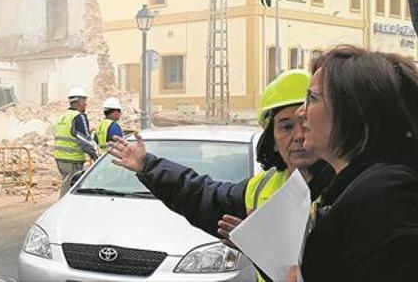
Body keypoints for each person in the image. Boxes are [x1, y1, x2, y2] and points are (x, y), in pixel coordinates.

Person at [109, 70, 333, 282]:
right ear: (272, 140)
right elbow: (202, 195)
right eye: (286, 127)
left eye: (305, 123)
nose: (298, 136)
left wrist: (265, 246)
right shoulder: (259, 188)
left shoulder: (344, 185)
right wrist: (147, 165)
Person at [292, 46, 418, 281]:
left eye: (312, 98)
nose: (301, 112)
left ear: (353, 109)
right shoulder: (359, 186)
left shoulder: (384, 195)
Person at [53, 87, 98, 198]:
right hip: (72, 159)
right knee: (70, 188)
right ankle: (63, 210)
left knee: (67, 184)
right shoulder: (78, 116)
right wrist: (95, 155)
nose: (86, 104)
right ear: (78, 102)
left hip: (60, 158)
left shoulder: (63, 117)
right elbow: (85, 140)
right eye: (84, 101)